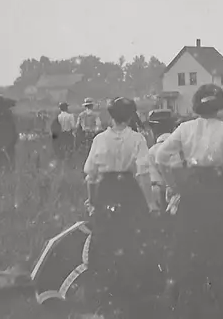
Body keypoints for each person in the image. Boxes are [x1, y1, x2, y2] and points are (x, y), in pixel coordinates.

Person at [155, 84, 223, 319]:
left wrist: (172, 184)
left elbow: (161, 156)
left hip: (192, 187)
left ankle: (190, 304)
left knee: (188, 246)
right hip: (218, 187)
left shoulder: (185, 128)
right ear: (219, 105)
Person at [83, 96, 160, 318]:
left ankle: (106, 291)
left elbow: (91, 175)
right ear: (129, 116)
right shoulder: (137, 139)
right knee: (130, 240)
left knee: (105, 240)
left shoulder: (99, 139)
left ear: (111, 115)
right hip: (127, 191)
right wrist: (150, 203)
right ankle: (130, 291)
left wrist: (92, 202)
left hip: (105, 191)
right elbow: (143, 174)